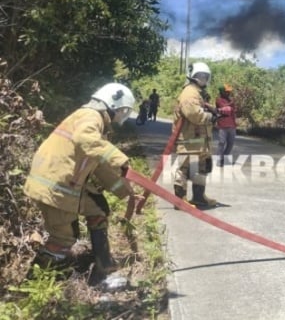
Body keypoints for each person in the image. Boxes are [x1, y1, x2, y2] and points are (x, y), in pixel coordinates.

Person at [23, 83, 144, 279]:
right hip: (55, 185)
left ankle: (103, 265)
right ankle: (32, 284)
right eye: (122, 111)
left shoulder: (94, 121)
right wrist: (120, 159)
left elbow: (100, 166)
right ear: (113, 105)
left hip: (66, 183)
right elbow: (85, 140)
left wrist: (126, 192)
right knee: (63, 238)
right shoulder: (90, 116)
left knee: (98, 210)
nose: (121, 117)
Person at [172, 62, 219, 208]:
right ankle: (180, 201)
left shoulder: (198, 93)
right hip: (189, 140)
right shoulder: (189, 93)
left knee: (203, 167)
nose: (204, 79)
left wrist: (213, 111)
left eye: (206, 76)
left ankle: (199, 197)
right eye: (202, 76)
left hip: (200, 141)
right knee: (185, 170)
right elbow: (194, 114)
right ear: (195, 77)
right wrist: (211, 117)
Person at [215, 84, 236, 167]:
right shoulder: (218, 99)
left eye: (229, 91)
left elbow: (233, 110)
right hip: (222, 125)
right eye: (227, 91)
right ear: (222, 92)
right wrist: (231, 104)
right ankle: (219, 160)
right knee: (221, 143)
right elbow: (223, 108)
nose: (229, 93)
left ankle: (224, 158)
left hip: (232, 125)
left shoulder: (230, 100)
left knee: (230, 144)